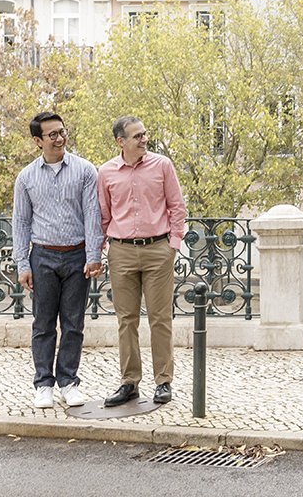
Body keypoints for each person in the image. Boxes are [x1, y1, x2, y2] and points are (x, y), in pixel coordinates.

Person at [12, 111, 103, 410]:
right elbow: (21, 222)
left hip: (77, 255)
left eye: (62, 132)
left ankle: (69, 382)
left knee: (74, 323)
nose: (60, 138)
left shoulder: (86, 171)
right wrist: (22, 264)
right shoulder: (26, 177)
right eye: (52, 135)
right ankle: (43, 384)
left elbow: (92, 215)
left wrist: (93, 256)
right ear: (38, 141)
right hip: (43, 256)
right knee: (43, 324)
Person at [98, 115, 187, 406]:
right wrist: (99, 252)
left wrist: (172, 245)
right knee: (126, 320)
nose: (144, 139)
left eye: (145, 134)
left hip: (157, 250)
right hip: (120, 251)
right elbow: (103, 216)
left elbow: (177, 207)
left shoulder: (162, 165)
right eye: (137, 136)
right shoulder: (106, 172)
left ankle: (163, 381)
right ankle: (129, 382)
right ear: (120, 141)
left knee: (160, 319)